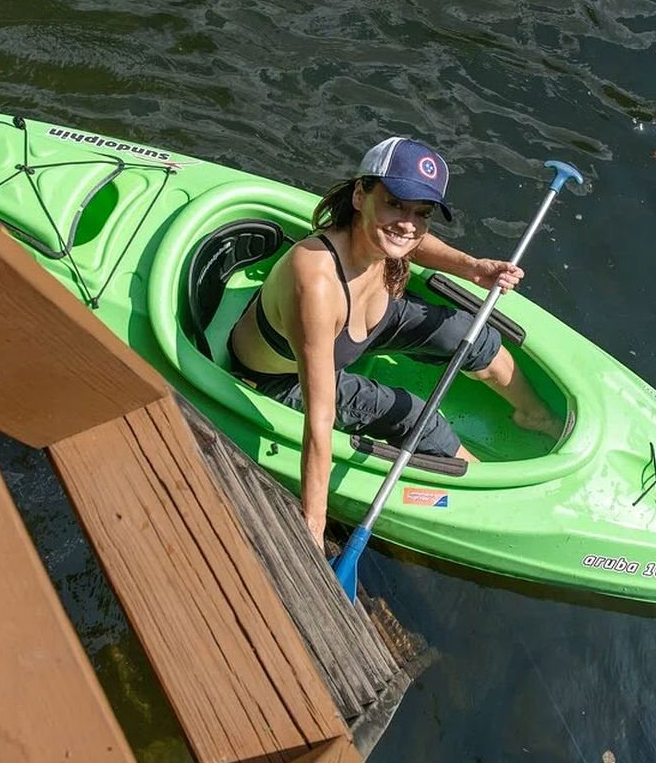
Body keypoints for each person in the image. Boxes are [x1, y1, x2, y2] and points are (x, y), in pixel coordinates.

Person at [227, 136, 562, 547]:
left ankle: (536, 416)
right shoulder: (315, 282)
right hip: (282, 377)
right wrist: (312, 528)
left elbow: (411, 242)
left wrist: (474, 268)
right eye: (395, 203)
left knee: (470, 335)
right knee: (422, 422)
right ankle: (498, 499)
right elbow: (319, 419)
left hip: (364, 326)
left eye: (422, 212)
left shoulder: (384, 237)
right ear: (359, 194)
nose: (408, 222)